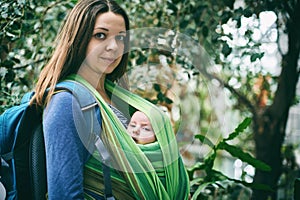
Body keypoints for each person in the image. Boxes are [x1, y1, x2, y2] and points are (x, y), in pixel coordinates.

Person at [31, 0, 190, 199]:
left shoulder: (123, 100)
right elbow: (64, 195)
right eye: (100, 35)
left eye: (121, 38)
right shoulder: (66, 103)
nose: (114, 47)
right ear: (79, 39)